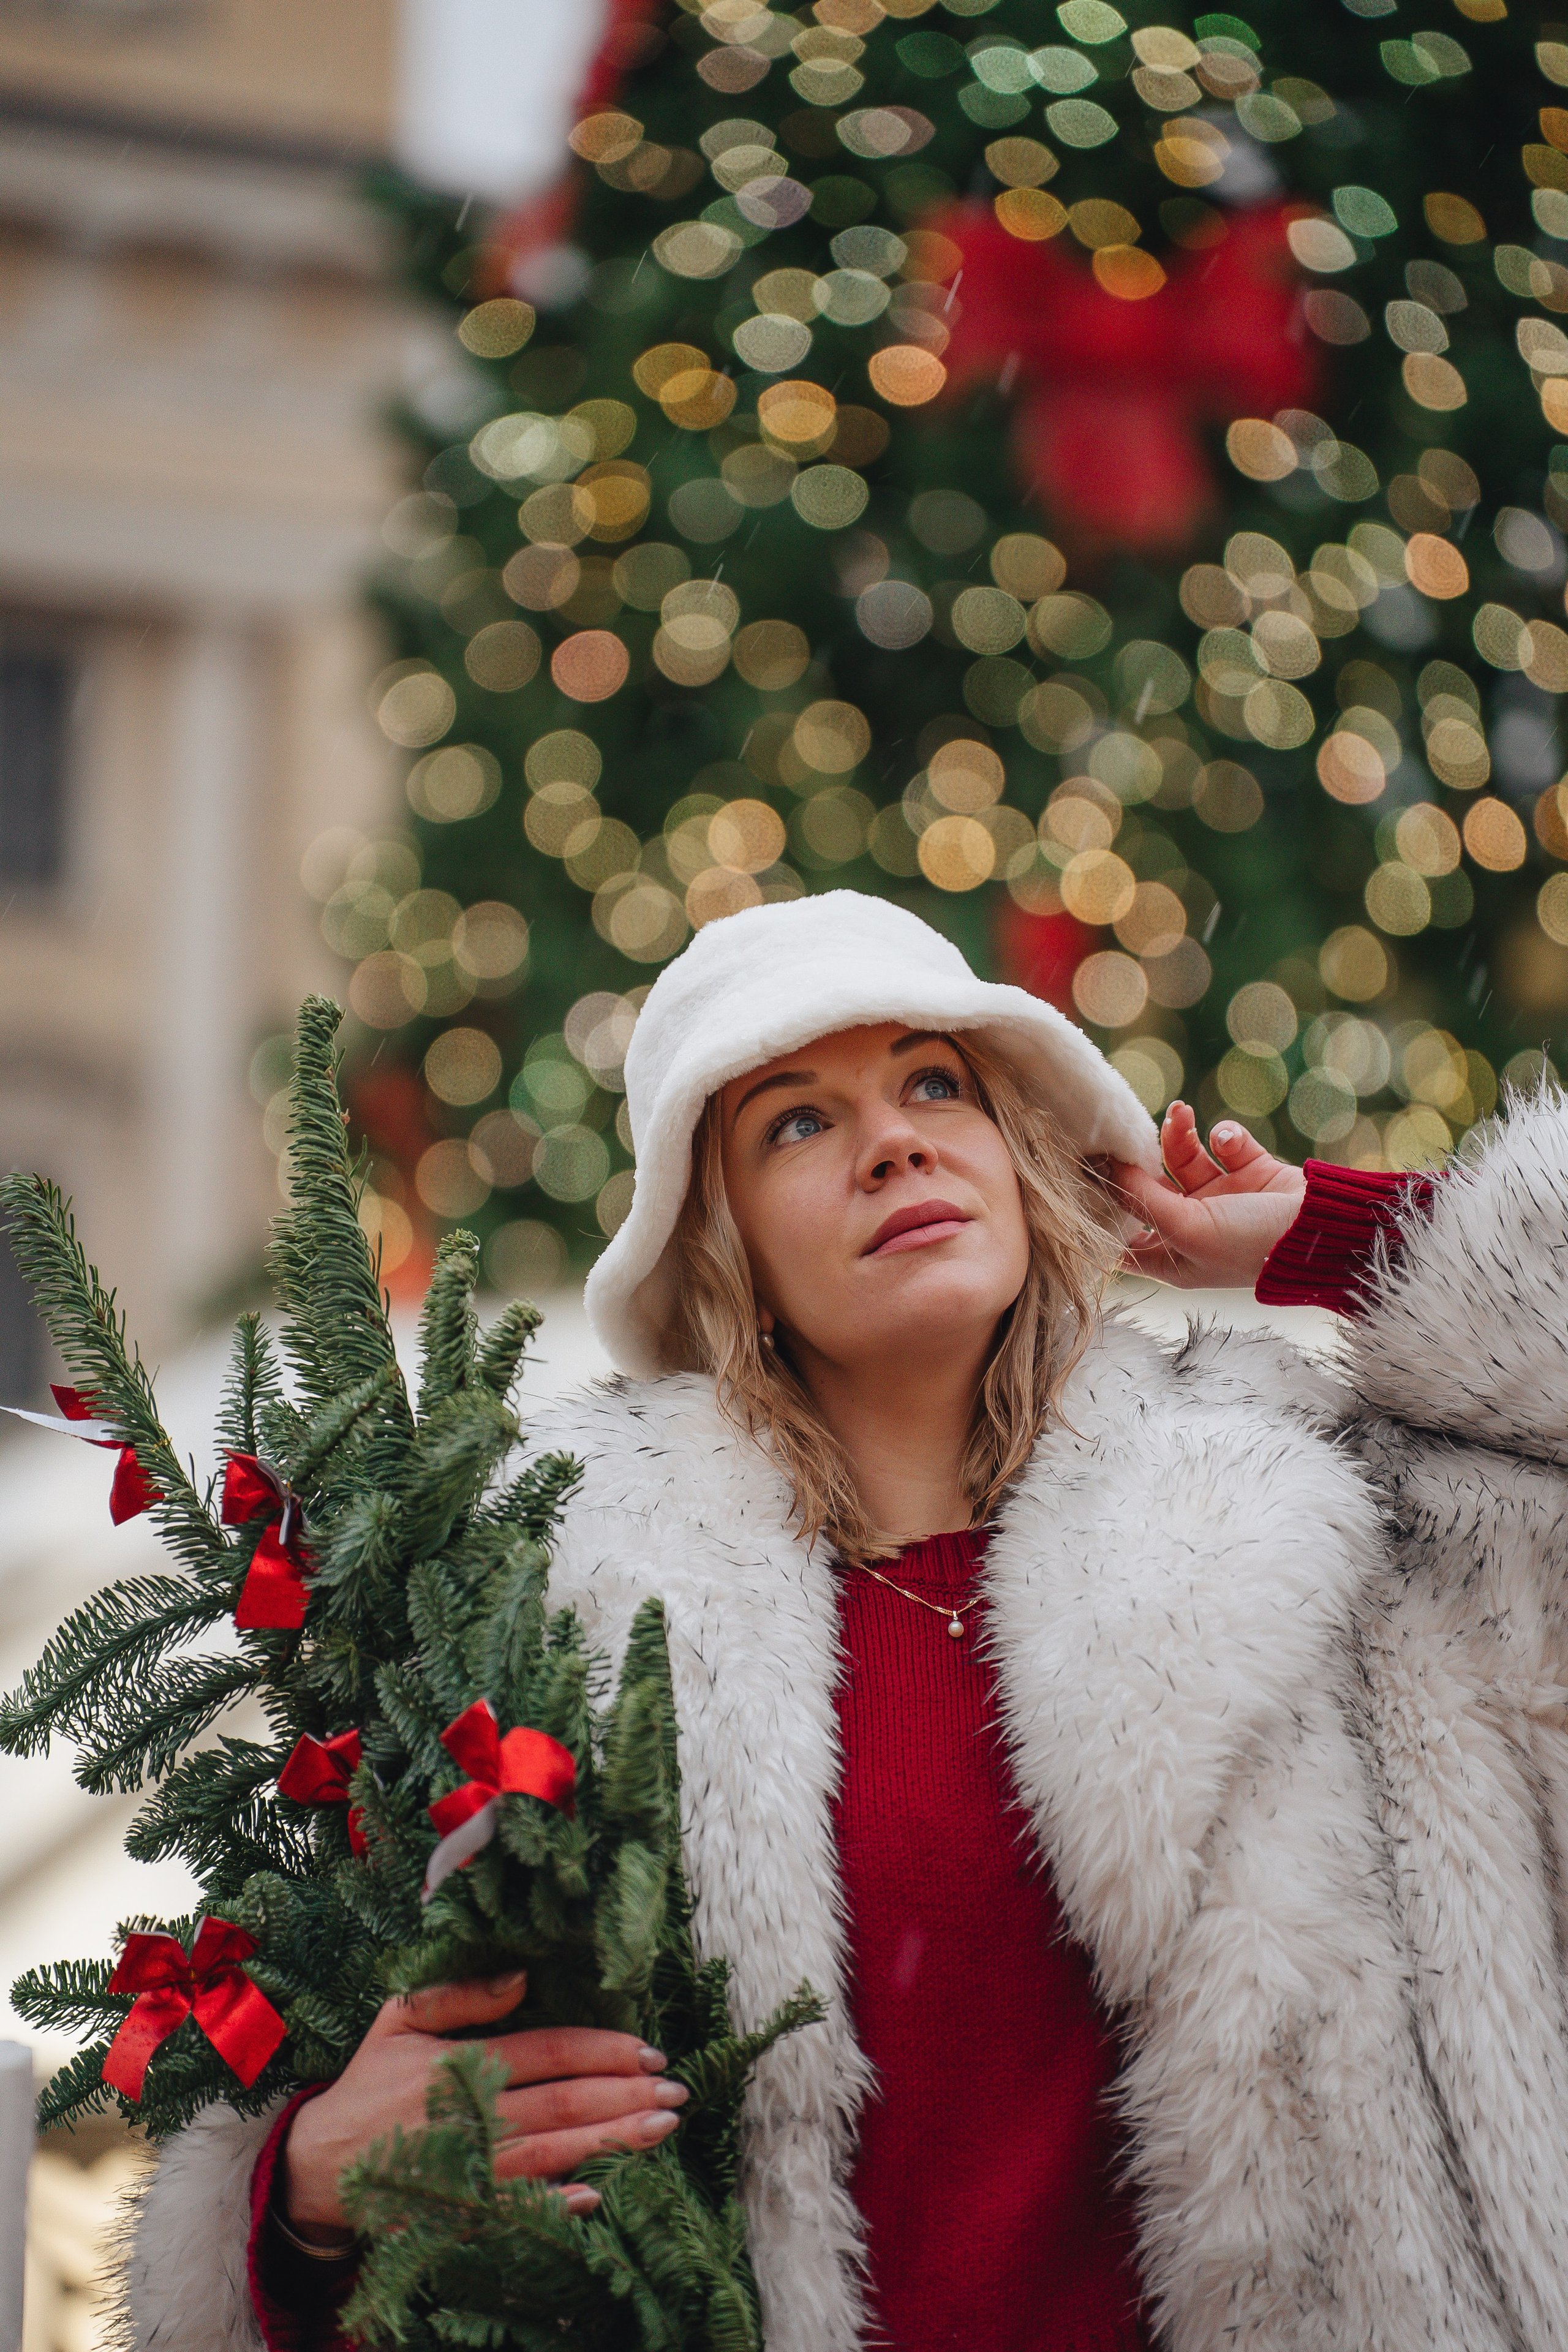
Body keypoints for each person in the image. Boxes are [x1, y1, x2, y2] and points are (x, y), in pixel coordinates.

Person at [122, 891, 1568, 2352]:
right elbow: (359, 2140)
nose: (893, 1140)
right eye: (796, 1125)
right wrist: (299, 2205)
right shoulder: (547, 1634)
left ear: (1017, 1155)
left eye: (933, 1084)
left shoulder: (1333, 1523)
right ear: (726, 1249)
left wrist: (1334, 1233)